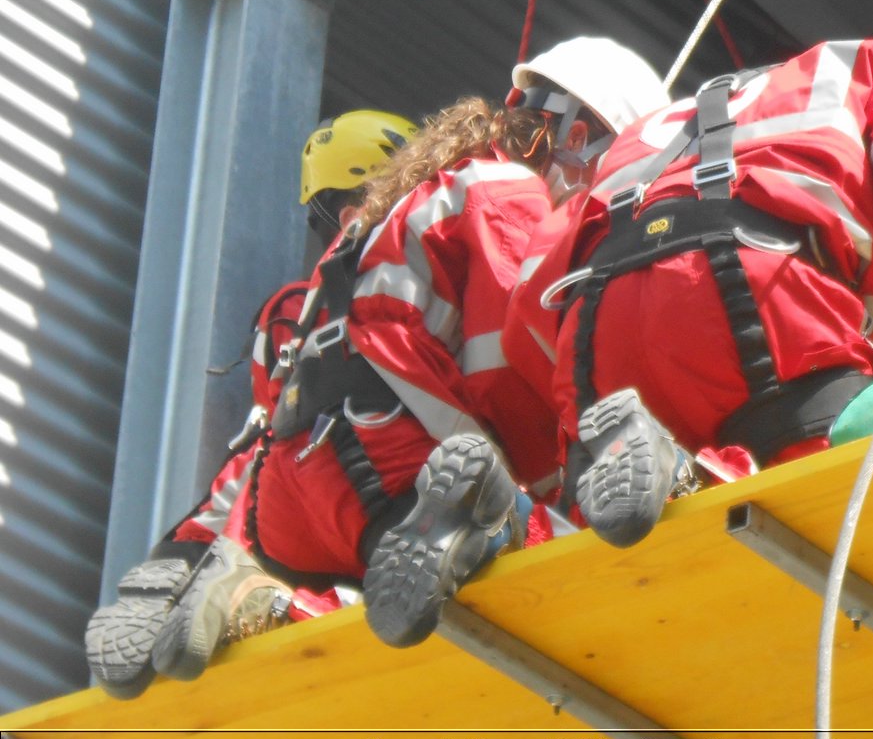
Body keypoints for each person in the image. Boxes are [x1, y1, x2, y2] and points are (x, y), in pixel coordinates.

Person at [506, 39, 873, 550]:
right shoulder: (869, 67)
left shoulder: (637, 143)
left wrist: (583, 400)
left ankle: (511, 521)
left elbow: (532, 291)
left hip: (600, 323)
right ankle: (678, 473)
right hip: (760, 299)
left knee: (613, 541)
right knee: (856, 456)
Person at [83, 110, 418, 699]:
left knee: (259, 480)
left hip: (275, 492)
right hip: (366, 481)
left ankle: (193, 569)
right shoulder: (372, 289)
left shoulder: (295, 308)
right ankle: (269, 602)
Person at [357, 38, 668, 648]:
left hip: (342, 441)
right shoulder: (510, 196)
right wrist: (568, 476)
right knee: (567, 554)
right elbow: (512, 362)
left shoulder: (438, 186)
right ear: (579, 140)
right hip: (399, 438)